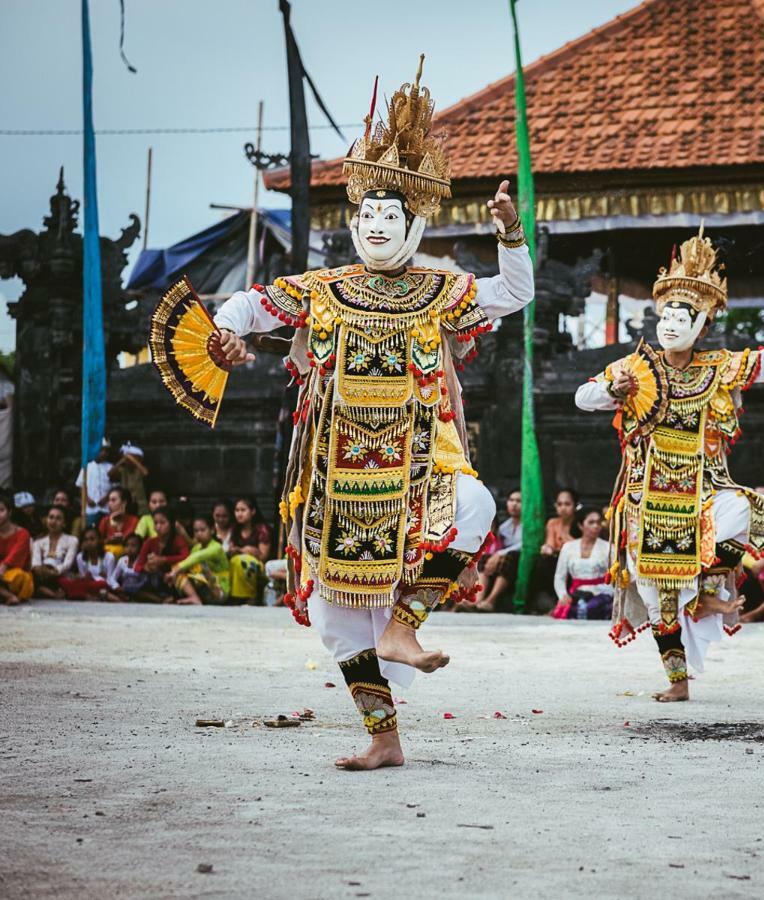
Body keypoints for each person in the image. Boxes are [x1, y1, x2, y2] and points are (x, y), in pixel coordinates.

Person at [207, 61, 534, 771]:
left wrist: (511, 232)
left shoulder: (439, 291)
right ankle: (383, 737)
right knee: (335, 617)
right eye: (368, 215)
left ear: (415, 224)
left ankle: (406, 627)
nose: (378, 225)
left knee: (472, 503)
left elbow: (512, 293)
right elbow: (252, 302)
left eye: (393, 215)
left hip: (419, 461)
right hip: (335, 469)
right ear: (353, 222)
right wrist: (228, 331)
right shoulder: (322, 289)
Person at [575, 225, 764, 702]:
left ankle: (705, 590)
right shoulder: (635, 367)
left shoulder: (714, 367)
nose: (672, 323)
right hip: (644, 497)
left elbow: (756, 364)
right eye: (667, 314)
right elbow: (582, 396)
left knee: (749, 510)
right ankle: (678, 681)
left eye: (684, 316)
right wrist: (614, 392)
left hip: (700, 492)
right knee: (656, 594)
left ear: (702, 325)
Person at [550, 506, 613, 620]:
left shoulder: (609, 548)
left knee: (592, 607)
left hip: (602, 592)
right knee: (566, 610)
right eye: (591, 522)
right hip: (576, 593)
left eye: (598, 523)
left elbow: (616, 578)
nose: (596, 526)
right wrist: (563, 595)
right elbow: (559, 576)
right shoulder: (568, 547)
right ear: (580, 525)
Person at [168, 516, 231, 605]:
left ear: (212, 530)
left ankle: (196, 597)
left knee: (189, 568)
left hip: (220, 589)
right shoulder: (196, 548)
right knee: (179, 571)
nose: (199, 534)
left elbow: (198, 557)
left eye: (202, 530)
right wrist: (174, 573)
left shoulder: (216, 547)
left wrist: (176, 570)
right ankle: (195, 598)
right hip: (202, 586)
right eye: (196, 531)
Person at [132, 507, 190, 602]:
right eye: (156, 523)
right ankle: (159, 599)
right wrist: (147, 567)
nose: (158, 527)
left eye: (162, 523)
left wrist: (163, 560)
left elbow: (186, 557)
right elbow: (138, 566)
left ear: (171, 524)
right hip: (154, 579)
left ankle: (168, 597)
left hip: (171, 579)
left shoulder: (178, 540)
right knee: (129, 582)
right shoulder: (150, 542)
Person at [477, 490, 521, 612]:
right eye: (511, 500)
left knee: (510, 556)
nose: (514, 504)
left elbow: (525, 545)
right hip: (500, 561)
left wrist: (501, 553)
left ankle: (491, 600)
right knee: (484, 558)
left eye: (519, 501)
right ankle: (478, 600)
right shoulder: (504, 527)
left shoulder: (530, 526)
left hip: (516, 561)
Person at [225, 497, 271, 604]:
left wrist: (243, 551)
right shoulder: (235, 529)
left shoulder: (261, 529)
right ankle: (233, 596)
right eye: (237, 510)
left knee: (242, 561)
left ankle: (249, 597)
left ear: (253, 511)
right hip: (236, 562)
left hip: (257, 565)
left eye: (243, 510)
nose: (239, 514)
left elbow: (263, 556)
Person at [31, 505, 79, 599]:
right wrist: (42, 570)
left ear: (64, 523)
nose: (53, 521)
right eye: (51, 517)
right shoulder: (38, 542)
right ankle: (54, 594)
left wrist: (53, 572)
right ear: (46, 520)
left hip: (60, 575)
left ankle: (45, 591)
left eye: (58, 518)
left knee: (69, 582)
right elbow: (35, 564)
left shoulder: (72, 540)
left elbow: (67, 564)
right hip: (42, 575)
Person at [60, 527, 119, 601]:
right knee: (64, 581)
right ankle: (91, 596)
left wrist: (101, 579)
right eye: (86, 540)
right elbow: (82, 578)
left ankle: (86, 596)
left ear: (100, 540)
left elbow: (111, 579)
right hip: (87, 585)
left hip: (102, 585)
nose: (89, 542)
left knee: (101, 584)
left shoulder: (109, 557)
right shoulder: (80, 557)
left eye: (92, 539)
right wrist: (84, 577)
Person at [0, 492, 34, 604]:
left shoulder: (22, 534)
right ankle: (7, 596)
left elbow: (14, 559)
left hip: (14, 577)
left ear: (9, 512)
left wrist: (2, 569)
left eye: (1, 510)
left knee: (19, 577)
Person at [74, 439, 114, 524]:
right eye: (101, 450)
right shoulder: (87, 467)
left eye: (106, 451)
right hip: (91, 508)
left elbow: (114, 486)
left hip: (107, 507)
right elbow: (81, 486)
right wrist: (87, 499)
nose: (103, 453)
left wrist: (106, 498)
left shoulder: (111, 467)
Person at [97, 486, 138, 558]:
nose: (109, 504)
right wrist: (109, 540)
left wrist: (123, 539)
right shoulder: (105, 520)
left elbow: (136, 541)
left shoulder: (134, 520)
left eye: (113, 500)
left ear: (124, 503)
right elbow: (97, 543)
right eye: (109, 501)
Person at [109, 441, 148, 512]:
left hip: (140, 505)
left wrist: (133, 460)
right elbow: (110, 474)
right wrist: (122, 460)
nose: (128, 461)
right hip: (126, 506)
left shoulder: (139, 470)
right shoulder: (122, 470)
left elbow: (145, 473)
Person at [541, 488, 578, 555]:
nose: (563, 508)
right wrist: (547, 549)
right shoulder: (552, 523)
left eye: (567, 504)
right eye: (559, 504)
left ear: (575, 506)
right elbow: (550, 545)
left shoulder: (581, 524)